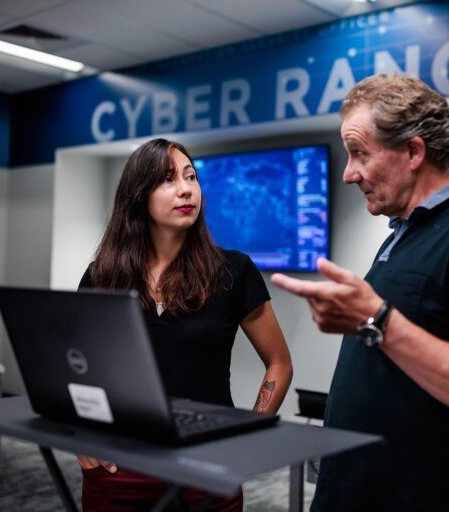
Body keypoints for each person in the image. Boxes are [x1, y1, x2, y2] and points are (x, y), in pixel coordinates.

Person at [271, 73, 449, 512]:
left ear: (414, 151)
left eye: (360, 153)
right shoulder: (404, 233)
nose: (348, 173)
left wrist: (375, 320)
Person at [77, 138, 293, 512]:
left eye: (190, 177)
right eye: (167, 180)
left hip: (209, 463)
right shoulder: (103, 276)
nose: (185, 189)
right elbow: (80, 367)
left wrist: (248, 437)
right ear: (138, 196)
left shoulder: (233, 271)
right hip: (121, 463)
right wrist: (82, 434)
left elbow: (279, 362)